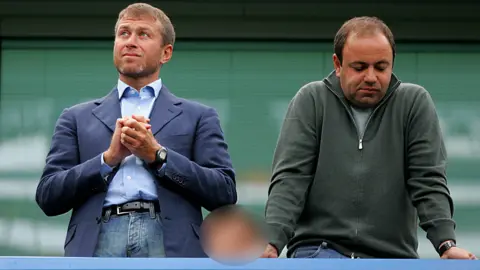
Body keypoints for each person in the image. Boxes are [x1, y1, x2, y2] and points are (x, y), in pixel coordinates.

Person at [262, 16, 476, 260]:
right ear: (338, 64)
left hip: (393, 256)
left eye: (381, 67)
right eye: (360, 67)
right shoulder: (312, 100)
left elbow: (428, 180)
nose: (371, 77)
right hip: (319, 250)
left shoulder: (414, 103)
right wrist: (272, 241)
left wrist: (446, 244)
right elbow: (290, 179)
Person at [35, 2, 237, 258]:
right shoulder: (74, 117)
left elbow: (224, 192)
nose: (130, 41)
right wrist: (107, 161)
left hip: (171, 242)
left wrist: (158, 156)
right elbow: (48, 196)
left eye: (143, 34)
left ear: (166, 53)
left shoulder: (199, 116)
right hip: (97, 241)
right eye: (124, 33)